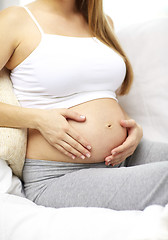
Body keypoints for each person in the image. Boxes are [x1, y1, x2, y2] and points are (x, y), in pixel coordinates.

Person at [0, 0, 167, 210]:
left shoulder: (103, 23)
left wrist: (134, 129)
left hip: (127, 154)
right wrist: (39, 119)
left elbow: (101, 93)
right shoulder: (16, 20)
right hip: (60, 175)